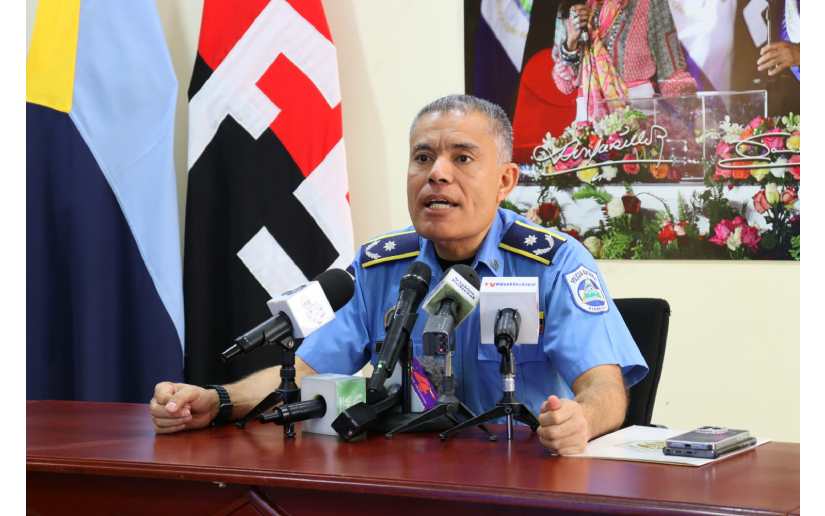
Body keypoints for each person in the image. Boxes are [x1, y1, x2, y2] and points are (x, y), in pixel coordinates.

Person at [150, 95, 648, 455]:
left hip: (520, 475)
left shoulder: (553, 263)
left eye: (462, 158)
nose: (437, 174)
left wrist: (580, 421)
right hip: (409, 475)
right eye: (423, 158)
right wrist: (217, 400)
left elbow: (605, 389)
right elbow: (303, 373)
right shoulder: (379, 266)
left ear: (505, 181)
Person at [553, 0, 697, 121]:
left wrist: (694, 112)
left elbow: (670, 70)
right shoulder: (574, 9)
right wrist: (570, 42)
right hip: (590, 125)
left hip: (638, 122)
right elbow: (564, 84)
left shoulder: (649, 4)